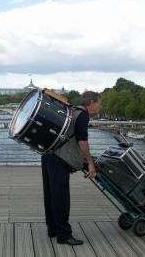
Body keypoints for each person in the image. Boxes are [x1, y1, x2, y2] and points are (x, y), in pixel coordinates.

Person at [41, 91, 102, 245]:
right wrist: (90, 162)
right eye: (99, 103)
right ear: (91, 103)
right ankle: (64, 235)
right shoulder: (83, 115)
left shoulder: (72, 110)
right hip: (59, 159)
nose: (100, 107)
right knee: (61, 198)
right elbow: (82, 141)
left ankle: (53, 229)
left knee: (51, 195)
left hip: (48, 154)